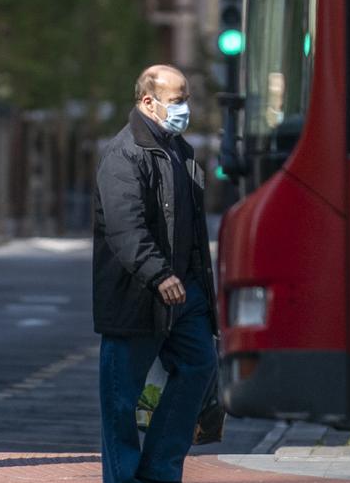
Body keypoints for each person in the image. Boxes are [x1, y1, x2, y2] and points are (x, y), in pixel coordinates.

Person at [93, 64, 218, 483]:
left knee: (199, 365)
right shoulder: (124, 153)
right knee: (121, 398)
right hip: (137, 294)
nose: (185, 109)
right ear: (149, 102)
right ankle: (125, 476)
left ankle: (159, 470)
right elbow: (124, 227)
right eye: (178, 100)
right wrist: (159, 274)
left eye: (187, 99)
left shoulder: (180, 150)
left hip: (185, 292)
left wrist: (197, 284)